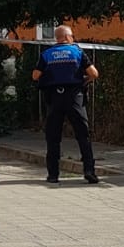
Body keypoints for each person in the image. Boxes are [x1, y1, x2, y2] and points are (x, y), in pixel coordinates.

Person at [31, 25, 99, 185]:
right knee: (83, 135)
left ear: (57, 38)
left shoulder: (46, 54)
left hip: (54, 98)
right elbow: (94, 74)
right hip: (75, 97)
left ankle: (53, 174)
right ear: (68, 37)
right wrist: (84, 81)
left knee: (53, 137)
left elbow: (35, 76)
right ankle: (89, 171)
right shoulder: (77, 52)